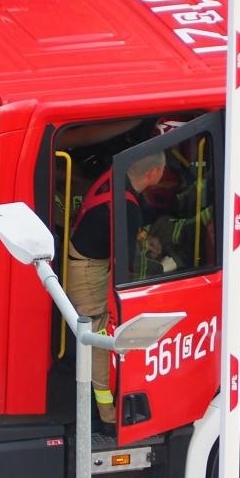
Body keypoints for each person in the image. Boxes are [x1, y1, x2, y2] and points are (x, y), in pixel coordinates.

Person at [65, 151, 166, 427]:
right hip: (87, 272)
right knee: (97, 339)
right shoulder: (128, 207)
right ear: (153, 174)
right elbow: (127, 266)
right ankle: (108, 412)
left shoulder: (116, 178)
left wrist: (145, 238)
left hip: (83, 261)